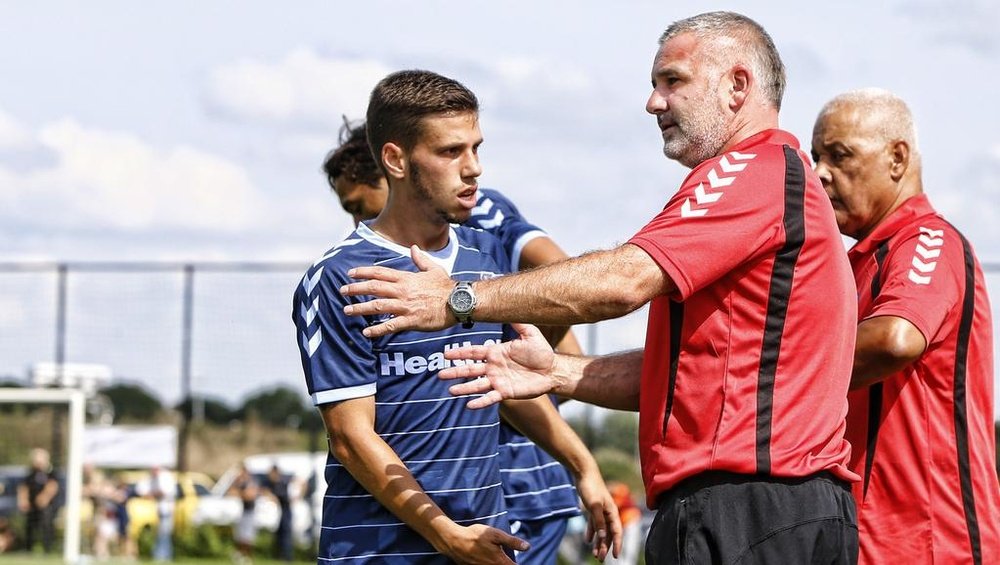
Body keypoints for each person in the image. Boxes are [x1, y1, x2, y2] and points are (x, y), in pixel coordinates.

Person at [341, 12, 861, 565]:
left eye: (672, 80)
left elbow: (621, 281)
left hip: (754, 509)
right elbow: (685, 376)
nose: (653, 102)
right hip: (770, 510)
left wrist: (456, 299)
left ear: (738, 85)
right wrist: (560, 372)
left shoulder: (753, 171)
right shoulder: (761, 181)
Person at [293, 69, 621, 564]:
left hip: (486, 542)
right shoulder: (341, 276)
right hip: (380, 552)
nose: (474, 169)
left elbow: (502, 387)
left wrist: (582, 466)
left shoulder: (484, 265)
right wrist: (444, 532)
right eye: (451, 152)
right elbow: (350, 438)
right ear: (396, 160)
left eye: (476, 148)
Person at [811, 88, 1000, 564]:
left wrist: (771, 373)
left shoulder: (927, 239)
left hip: (930, 541)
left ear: (897, 158)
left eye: (840, 155)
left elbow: (896, 338)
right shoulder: (851, 265)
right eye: (815, 157)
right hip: (859, 538)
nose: (819, 173)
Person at [17, 447, 60, 554]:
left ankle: (47, 549)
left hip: (46, 506)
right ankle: (28, 549)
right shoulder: (30, 473)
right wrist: (23, 500)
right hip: (32, 505)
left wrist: (44, 497)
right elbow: (24, 487)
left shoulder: (51, 472)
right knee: (29, 526)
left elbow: (53, 486)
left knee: (46, 525)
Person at [138, 466, 176, 562]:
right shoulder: (153, 479)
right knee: (160, 533)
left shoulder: (165, 477)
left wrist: (152, 494)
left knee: (164, 533)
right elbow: (142, 490)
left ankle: (163, 555)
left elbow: (163, 492)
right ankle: (160, 554)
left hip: (166, 510)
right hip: (158, 510)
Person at [229, 464, 259, 563]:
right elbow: (231, 492)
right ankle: (241, 555)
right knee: (240, 536)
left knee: (248, 536)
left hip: (250, 512)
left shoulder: (251, 483)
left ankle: (248, 557)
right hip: (243, 512)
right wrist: (237, 481)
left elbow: (249, 496)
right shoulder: (241, 483)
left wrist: (240, 493)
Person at [263, 464, 293, 562]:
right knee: (278, 535)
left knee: (286, 534)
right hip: (278, 512)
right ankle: (278, 555)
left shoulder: (284, 481)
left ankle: (287, 557)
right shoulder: (270, 483)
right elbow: (263, 490)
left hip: (286, 511)